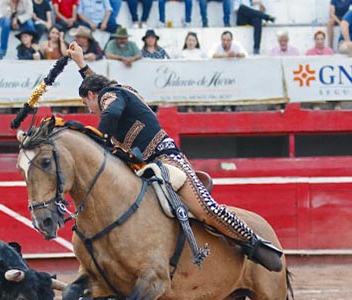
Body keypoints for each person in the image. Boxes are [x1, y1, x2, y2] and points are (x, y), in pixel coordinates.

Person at [65, 41, 283, 272]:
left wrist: (100, 139)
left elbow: (110, 108)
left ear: (92, 95)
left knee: (205, 210)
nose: (89, 110)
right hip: (142, 166)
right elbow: (98, 86)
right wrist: (80, 64)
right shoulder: (112, 91)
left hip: (166, 158)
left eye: (86, 103)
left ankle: (255, 243)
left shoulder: (112, 95)